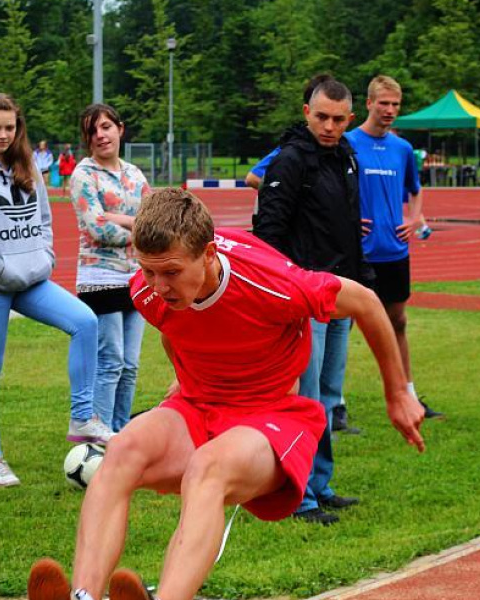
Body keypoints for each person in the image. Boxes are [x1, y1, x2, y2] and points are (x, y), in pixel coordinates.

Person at [26, 188, 424, 600]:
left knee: (206, 469)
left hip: (273, 416)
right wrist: (185, 376)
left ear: (210, 254)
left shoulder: (276, 285)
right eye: (149, 270)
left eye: (172, 272)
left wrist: (397, 393)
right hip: (200, 404)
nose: (159, 286)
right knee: (122, 449)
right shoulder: (146, 291)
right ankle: (83, 595)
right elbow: (174, 332)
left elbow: (367, 302)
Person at [0, 93, 108, 487]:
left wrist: (45, 255)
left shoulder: (28, 164)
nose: (3, 135)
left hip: (31, 280)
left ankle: (82, 418)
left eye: (9, 127)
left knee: (85, 322)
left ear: (19, 128)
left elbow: (45, 218)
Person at [252, 78, 362, 525]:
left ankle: (321, 483)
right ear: (306, 112)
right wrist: (281, 293)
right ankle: (300, 497)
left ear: (349, 119)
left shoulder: (346, 158)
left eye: (338, 119)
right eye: (322, 117)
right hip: (302, 297)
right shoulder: (290, 161)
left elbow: (348, 224)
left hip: (340, 294)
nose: (329, 126)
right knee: (307, 398)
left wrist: (359, 279)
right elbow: (269, 234)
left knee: (330, 397)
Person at [346, 75, 442, 421]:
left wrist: (415, 219)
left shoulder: (402, 149)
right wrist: (346, 220)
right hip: (358, 253)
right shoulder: (347, 142)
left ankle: (410, 395)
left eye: (395, 105)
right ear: (369, 103)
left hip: (395, 252)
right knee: (345, 325)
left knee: (398, 321)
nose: (389, 111)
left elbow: (416, 189)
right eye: (383, 103)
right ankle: (335, 403)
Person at [69, 104, 150, 432]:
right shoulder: (82, 175)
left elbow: (155, 220)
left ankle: (121, 435)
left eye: (106, 127)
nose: (100, 135)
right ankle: (101, 434)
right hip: (100, 278)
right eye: (92, 131)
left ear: (120, 128)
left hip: (137, 277)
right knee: (110, 362)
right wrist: (136, 227)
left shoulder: (135, 175)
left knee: (130, 365)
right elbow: (96, 228)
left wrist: (122, 219)